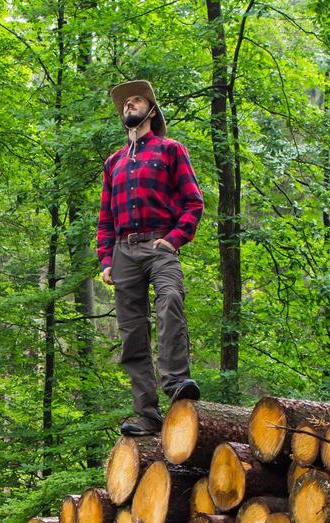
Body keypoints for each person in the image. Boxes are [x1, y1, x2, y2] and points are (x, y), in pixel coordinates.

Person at [97, 79, 205, 436]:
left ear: (151, 111)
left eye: (137, 100)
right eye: (125, 103)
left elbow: (194, 203)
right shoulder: (113, 163)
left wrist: (174, 240)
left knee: (171, 300)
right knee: (131, 333)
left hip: (160, 246)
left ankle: (176, 384)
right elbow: (105, 219)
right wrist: (106, 260)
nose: (129, 105)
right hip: (124, 252)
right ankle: (146, 413)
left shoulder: (170, 150)